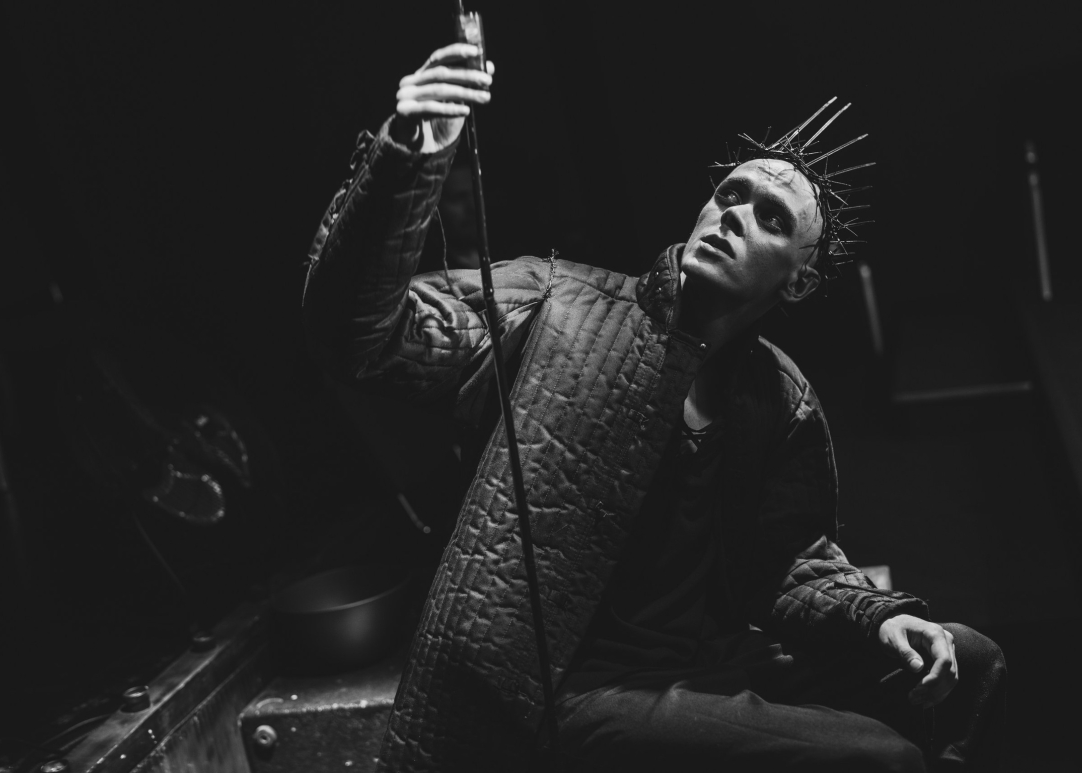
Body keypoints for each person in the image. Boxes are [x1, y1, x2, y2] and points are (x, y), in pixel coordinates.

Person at [301, 42, 1006, 772]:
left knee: (971, 662)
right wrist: (407, 156)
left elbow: (787, 559)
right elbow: (359, 336)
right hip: (573, 689)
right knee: (883, 758)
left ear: (797, 282)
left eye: (771, 217)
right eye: (730, 195)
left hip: (708, 665)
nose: (735, 216)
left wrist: (877, 617)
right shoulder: (554, 303)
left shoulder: (777, 393)